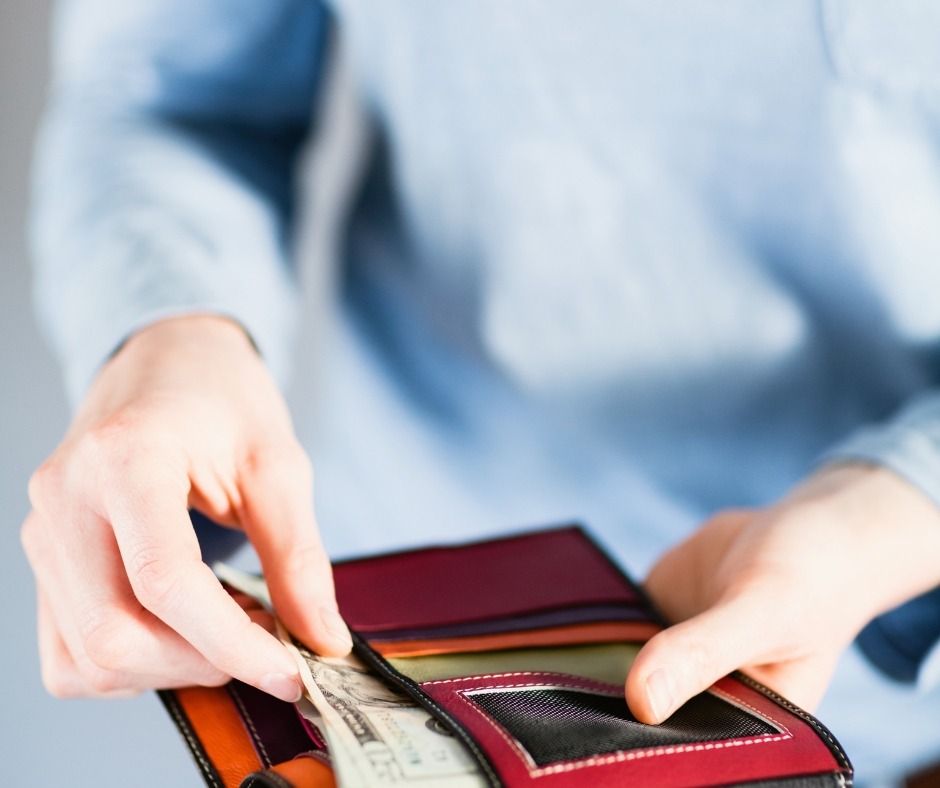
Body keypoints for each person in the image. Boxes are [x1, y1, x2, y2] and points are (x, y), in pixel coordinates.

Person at [23, 0, 940, 782]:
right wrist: (169, 332)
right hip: (378, 604)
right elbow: (167, 93)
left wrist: (897, 505)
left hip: (887, 697)